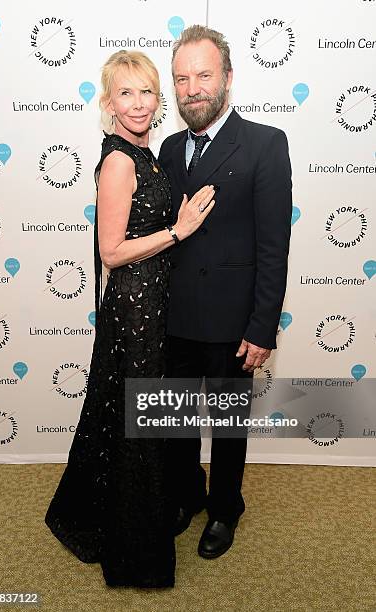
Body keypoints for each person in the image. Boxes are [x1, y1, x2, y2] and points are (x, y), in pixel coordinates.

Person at [44, 49, 215, 588]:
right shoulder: (120, 160)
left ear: (157, 99)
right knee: (138, 421)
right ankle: (136, 552)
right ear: (109, 102)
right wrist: (178, 231)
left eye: (146, 92)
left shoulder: (151, 153)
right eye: (126, 93)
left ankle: (131, 513)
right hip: (135, 308)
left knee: (138, 416)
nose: (138, 103)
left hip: (155, 301)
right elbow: (111, 252)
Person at [158, 25, 292, 559]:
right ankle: (187, 496)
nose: (191, 89)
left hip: (233, 322)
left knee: (229, 428)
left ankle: (224, 509)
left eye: (203, 76)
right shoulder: (167, 148)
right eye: (181, 79)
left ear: (228, 79)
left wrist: (262, 327)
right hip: (173, 319)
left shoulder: (265, 143)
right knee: (176, 422)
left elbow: (273, 246)